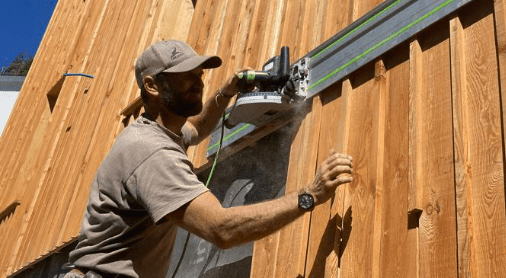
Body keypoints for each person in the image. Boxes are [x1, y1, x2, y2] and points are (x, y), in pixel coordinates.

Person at [63, 40, 353, 278]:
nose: (198, 82)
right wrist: (310, 196)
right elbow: (221, 229)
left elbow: (197, 128)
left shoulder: (160, 131)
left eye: (199, 74)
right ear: (152, 86)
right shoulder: (151, 152)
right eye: (185, 76)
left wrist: (226, 92)